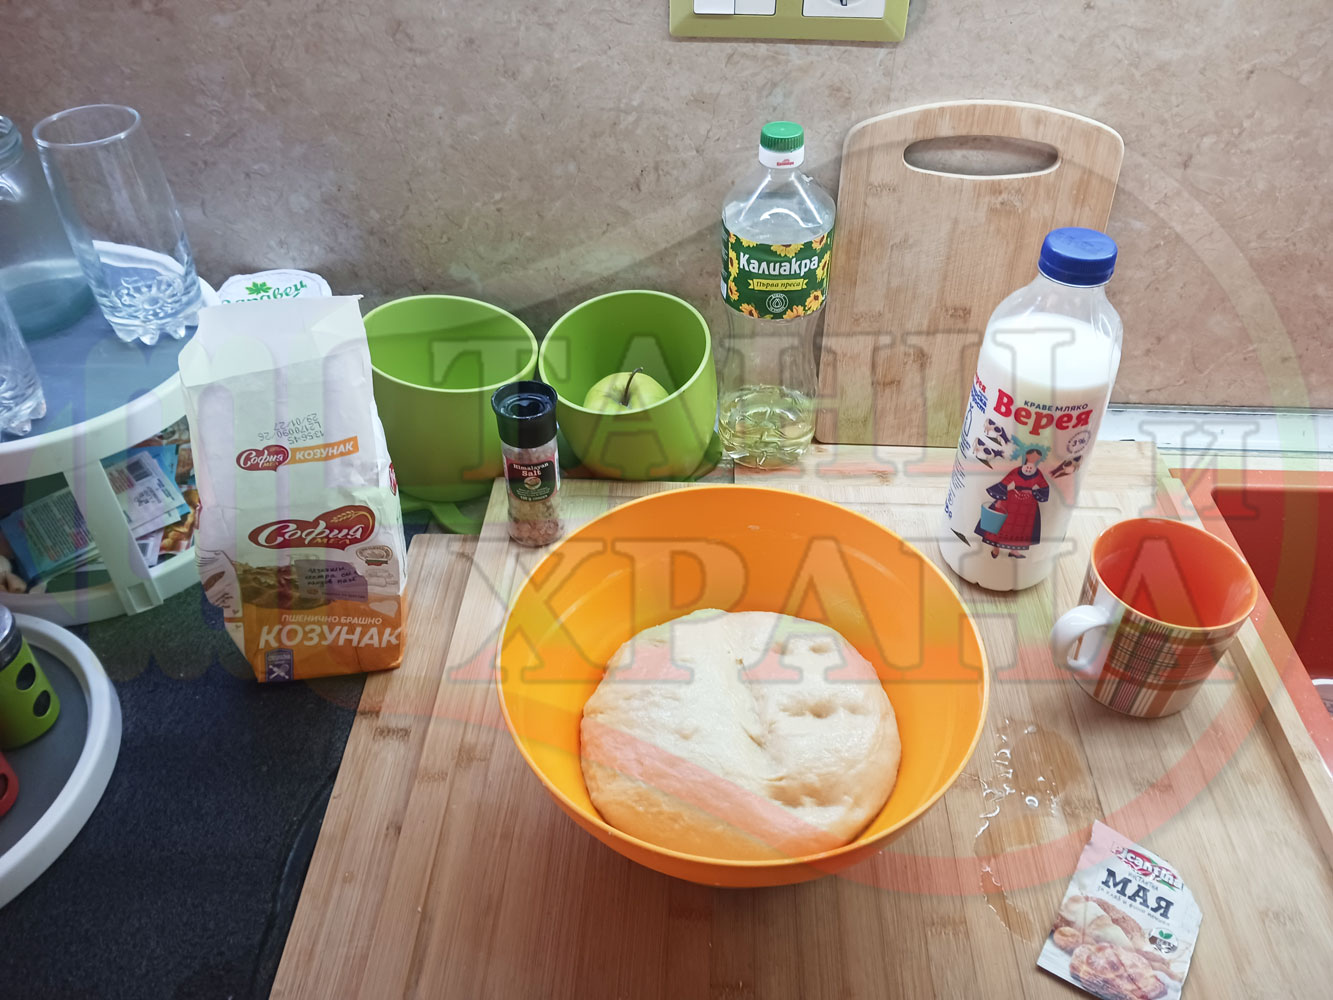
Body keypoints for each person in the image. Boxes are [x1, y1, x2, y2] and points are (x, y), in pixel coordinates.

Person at [976, 448, 1050, 558]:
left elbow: (1045, 487)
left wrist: (1032, 492)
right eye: (1031, 457)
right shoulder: (1017, 471)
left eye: (1035, 459)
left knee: (1021, 527)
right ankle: (996, 547)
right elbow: (1004, 482)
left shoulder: (1037, 473)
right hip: (1011, 499)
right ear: (1026, 457)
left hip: (1028, 503)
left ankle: (1014, 551)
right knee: (1002, 524)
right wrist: (1000, 499)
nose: (1030, 466)